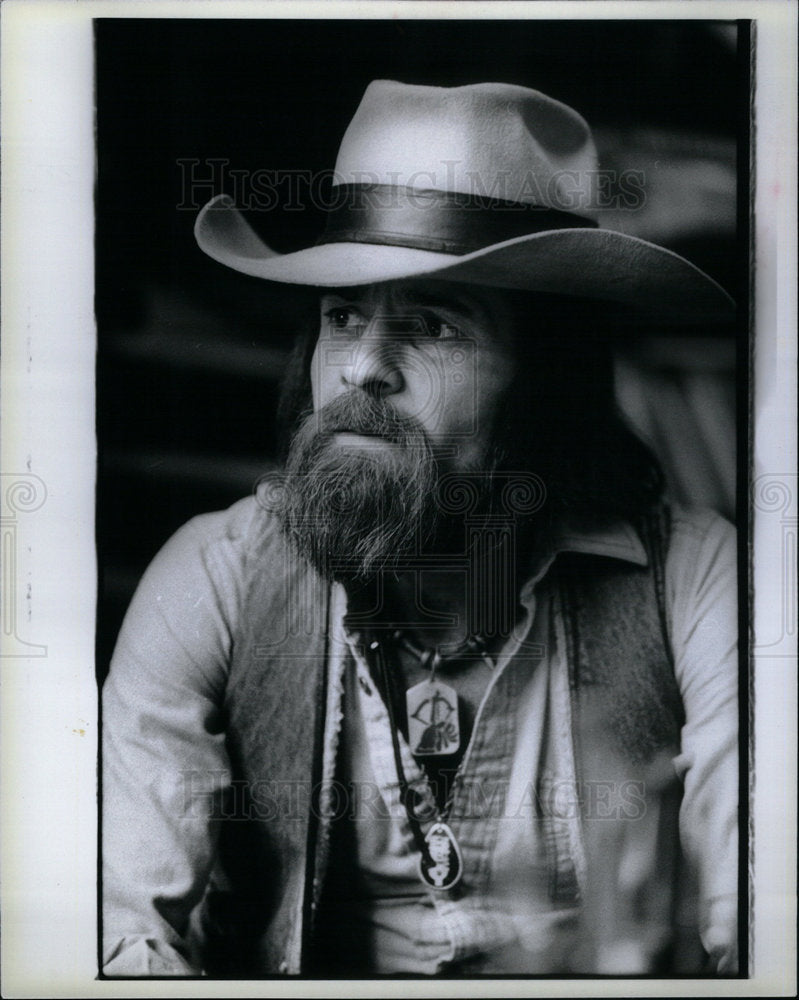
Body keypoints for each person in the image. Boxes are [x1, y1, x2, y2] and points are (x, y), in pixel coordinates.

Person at [101, 80, 739, 977]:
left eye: (434, 326)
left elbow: (757, 921)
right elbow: (118, 939)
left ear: (547, 382)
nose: (361, 368)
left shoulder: (698, 578)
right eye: (343, 316)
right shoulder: (215, 577)